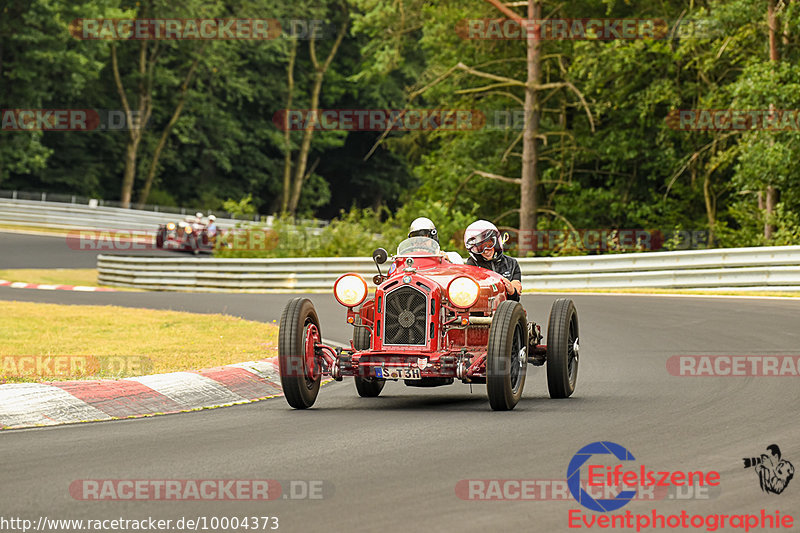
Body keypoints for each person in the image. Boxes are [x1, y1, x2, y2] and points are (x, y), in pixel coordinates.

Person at [464, 220, 521, 301]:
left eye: (489, 245)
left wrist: (512, 291)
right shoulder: (471, 265)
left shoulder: (512, 264)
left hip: (505, 310)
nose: (486, 250)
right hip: (482, 310)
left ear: (496, 242)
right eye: (480, 248)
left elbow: (515, 300)